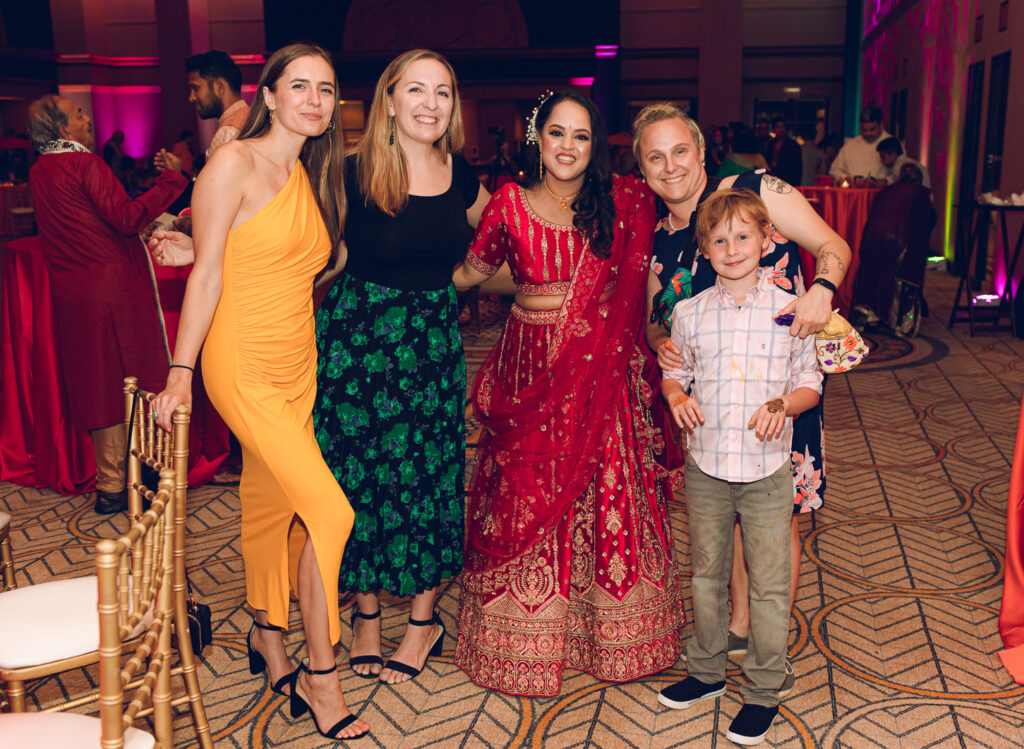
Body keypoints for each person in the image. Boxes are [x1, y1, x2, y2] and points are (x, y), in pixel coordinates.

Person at [150, 43, 369, 741]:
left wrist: (197, 245)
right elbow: (210, 276)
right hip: (240, 361)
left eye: (326, 89)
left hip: (296, 362)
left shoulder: (308, 171)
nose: (313, 99)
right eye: (298, 85)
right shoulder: (233, 162)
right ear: (268, 96)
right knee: (331, 514)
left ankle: (266, 634)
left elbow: (282, 262)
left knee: (271, 506)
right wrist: (180, 372)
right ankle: (321, 677)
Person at [452, 90, 685, 698]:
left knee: (604, 483)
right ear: (539, 138)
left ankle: (609, 634)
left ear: (595, 145)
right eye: (557, 133)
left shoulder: (624, 202)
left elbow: (680, 213)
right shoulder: (509, 202)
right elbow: (467, 275)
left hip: (604, 365)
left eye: (581, 136)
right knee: (529, 488)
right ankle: (521, 633)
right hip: (529, 360)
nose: (567, 147)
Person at [634, 102, 850, 696]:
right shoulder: (661, 236)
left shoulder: (754, 191)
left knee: (779, 521)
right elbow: (657, 317)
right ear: (643, 169)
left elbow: (833, 245)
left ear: (702, 153)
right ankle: (734, 624)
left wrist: (822, 290)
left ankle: (762, 646)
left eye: (681, 150)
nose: (671, 165)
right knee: (721, 520)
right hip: (713, 409)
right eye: (656, 156)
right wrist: (661, 346)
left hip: (780, 388)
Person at [313, 48, 489, 685]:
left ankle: (422, 620)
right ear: (389, 99)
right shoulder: (352, 170)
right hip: (357, 345)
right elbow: (311, 249)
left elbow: (506, 234)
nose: (430, 104)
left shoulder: (460, 174)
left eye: (442, 92)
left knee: (428, 480)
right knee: (357, 479)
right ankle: (363, 614)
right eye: (416, 90)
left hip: (431, 350)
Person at [656, 189, 822, 746]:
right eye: (719, 240)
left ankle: (763, 691)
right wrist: (675, 395)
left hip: (768, 469)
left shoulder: (788, 310)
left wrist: (784, 405)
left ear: (767, 240)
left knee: (770, 586)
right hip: (706, 463)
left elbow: (809, 382)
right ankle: (705, 672)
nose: (732, 248)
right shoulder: (688, 313)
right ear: (704, 248)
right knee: (706, 575)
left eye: (743, 237)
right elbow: (677, 376)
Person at [26, 95, 186, 514]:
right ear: (63, 130)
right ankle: (148, 474)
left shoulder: (39, 171)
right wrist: (171, 181)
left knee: (97, 381)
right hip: (114, 287)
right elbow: (127, 218)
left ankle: (110, 486)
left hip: (74, 293)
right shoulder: (85, 164)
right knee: (137, 372)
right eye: (78, 114)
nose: (87, 118)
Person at [852, 162, 936, 336]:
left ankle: (869, 316)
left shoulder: (886, 191)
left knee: (874, 275)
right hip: (901, 237)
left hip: (872, 236)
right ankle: (901, 322)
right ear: (919, 179)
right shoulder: (921, 193)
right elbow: (924, 223)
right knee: (903, 277)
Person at [186, 50, 250, 159]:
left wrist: (176, 174)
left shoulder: (228, 133)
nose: (191, 97)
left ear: (219, 87)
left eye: (195, 88)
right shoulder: (254, 119)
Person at [829, 106, 892, 184]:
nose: (868, 133)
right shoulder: (850, 145)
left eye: (872, 129)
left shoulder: (893, 143)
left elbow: (900, 173)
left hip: (882, 193)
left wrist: (886, 181)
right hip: (854, 193)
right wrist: (846, 179)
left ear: (881, 125)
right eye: (864, 130)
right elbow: (835, 169)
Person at [768, 117, 802, 187]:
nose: (781, 130)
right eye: (778, 127)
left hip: (788, 180)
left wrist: (796, 184)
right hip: (772, 178)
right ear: (774, 129)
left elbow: (798, 166)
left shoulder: (793, 145)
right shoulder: (771, 144)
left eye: (782, 126)